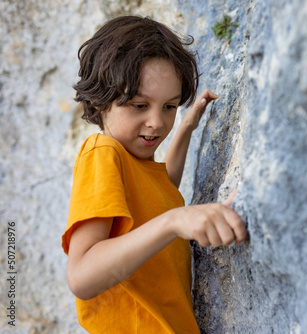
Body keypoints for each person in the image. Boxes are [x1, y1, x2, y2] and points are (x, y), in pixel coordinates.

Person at [61, 15, 247, 333]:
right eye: (138, 105)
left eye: (170, 107)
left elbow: (162, 193)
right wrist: (174, 222)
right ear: (98, 100)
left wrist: (186, 128)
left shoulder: (134, 163)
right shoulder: (101, 153)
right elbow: (81, 276)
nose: (157, 123)